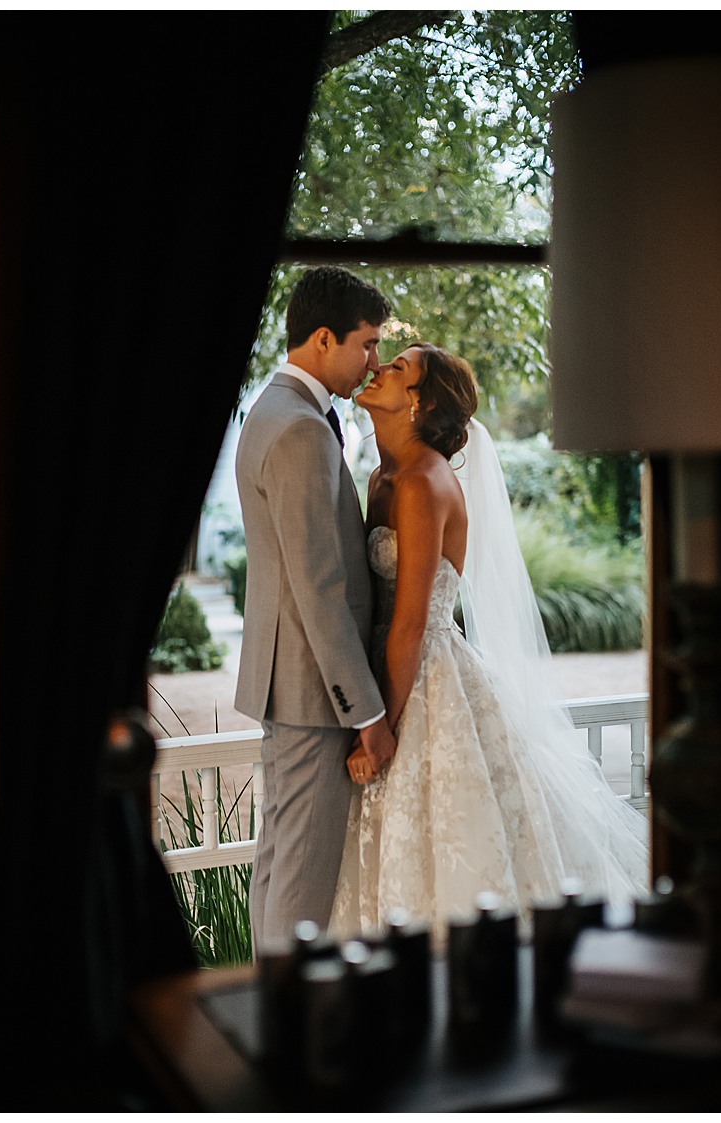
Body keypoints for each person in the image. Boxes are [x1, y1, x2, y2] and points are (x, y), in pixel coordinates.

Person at [330, 342, 649, 943]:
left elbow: (411, 624)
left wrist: (379, 729)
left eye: (397, 368)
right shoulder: (382, 475)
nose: (380, 368)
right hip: (382, 671)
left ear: (419, 403)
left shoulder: (424, 481)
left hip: (423, 678)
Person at [234, 265, 398, 952]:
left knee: (277, 862)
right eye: (366, 343)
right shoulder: (301, 428)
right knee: (301, 877)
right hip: (313, 692)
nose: (373, 361)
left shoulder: (277, 407)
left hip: (289, 683)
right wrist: (368, 711)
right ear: (324, 338)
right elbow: (320, 587)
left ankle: (268, 1011)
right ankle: (283, 1030)